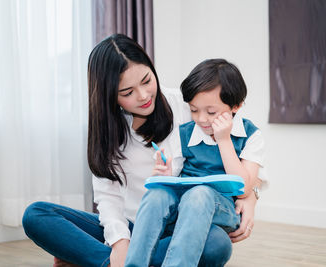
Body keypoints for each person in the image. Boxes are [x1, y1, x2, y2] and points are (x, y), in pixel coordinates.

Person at [22, 34, 260, 267]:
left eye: (147, 81)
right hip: (133, 227)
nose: (144, 96)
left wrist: (250, 195)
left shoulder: (187, 106)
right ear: (110, 96)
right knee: (37, 215)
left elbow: (234, 129)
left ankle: (93, 259)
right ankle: (115, 260)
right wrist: (120, 243)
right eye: (127, 93)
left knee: (216, 244)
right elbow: (108, 198)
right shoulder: (108, 131)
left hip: (180, 228)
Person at [124, 59, 265, 266]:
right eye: (193, 109)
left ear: (236, 106)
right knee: (156, 194)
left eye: (211, 112)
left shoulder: (250, 135)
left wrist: (223, 140)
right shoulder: (185, 133)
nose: (201, 119)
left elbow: (243, 189)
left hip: (222, 208)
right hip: (184, 206)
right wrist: (163, 173)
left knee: (199, 193)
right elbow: (171, 180)